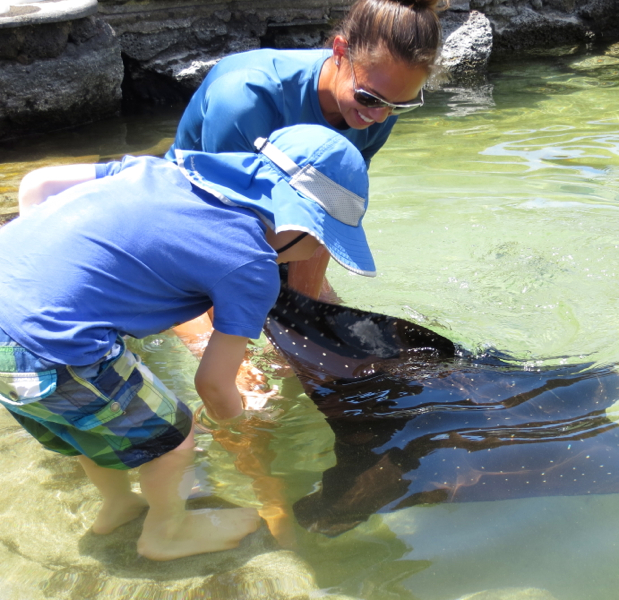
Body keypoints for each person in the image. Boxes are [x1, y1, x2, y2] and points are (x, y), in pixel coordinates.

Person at [0, 124, 376, 560]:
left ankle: (119, 504)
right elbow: (213, 385)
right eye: (324, 238)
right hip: (52, 346)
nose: (317, 254)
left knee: (93, 424)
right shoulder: (252, 264)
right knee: (173, 438)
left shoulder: (159, 171)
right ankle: (166, 532)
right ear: (298, 226)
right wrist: (241, 424)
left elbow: (39, 185)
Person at [167, 0, 446, 300]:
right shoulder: (245, 97)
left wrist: (305, 308)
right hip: (185, 230)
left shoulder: (380, 109)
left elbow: (329, 209)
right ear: (340, 52)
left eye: (400, 106)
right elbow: (219, 236)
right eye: (369, 98)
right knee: (220, 341)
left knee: (322, 317)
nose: (380, 117)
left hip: (279, 228)